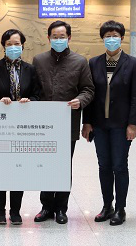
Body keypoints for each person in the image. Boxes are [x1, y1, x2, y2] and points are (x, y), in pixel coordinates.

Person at [32, 20, 95, 224]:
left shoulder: (80, 61)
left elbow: (88, 89)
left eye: (62, 37)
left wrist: (80, 100)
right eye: (54, 37)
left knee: (63, 166)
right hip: (43, 124)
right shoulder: (39, 60)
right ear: (48, 38)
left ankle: (61, 208)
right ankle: (46, 207)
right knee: (45, 166)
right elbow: (33, 89)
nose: (58, 40)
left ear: (69, 38)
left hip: (68, 123)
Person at [82, 21, 136, 226]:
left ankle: (120, 208)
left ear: (122, 37)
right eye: (107, 36)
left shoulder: (132, 63)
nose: (111, 39)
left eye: (115, 35)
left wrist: (132, 124)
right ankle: (107, 206)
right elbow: (89, 94)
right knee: (104, 166)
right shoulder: (94, 63)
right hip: (99, 124)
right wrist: (87, 122)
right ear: (102, 39)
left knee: (119, 165)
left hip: (121, 124)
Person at [0, 29, 41, 226]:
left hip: (21, 127)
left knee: (18, 169)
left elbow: (37, 94)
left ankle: (15, 211)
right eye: (9, 44)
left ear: (23, 46)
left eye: (17, 44)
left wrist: (29, 101)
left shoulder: (30, 69)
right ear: (3, 46)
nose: (13, 47)